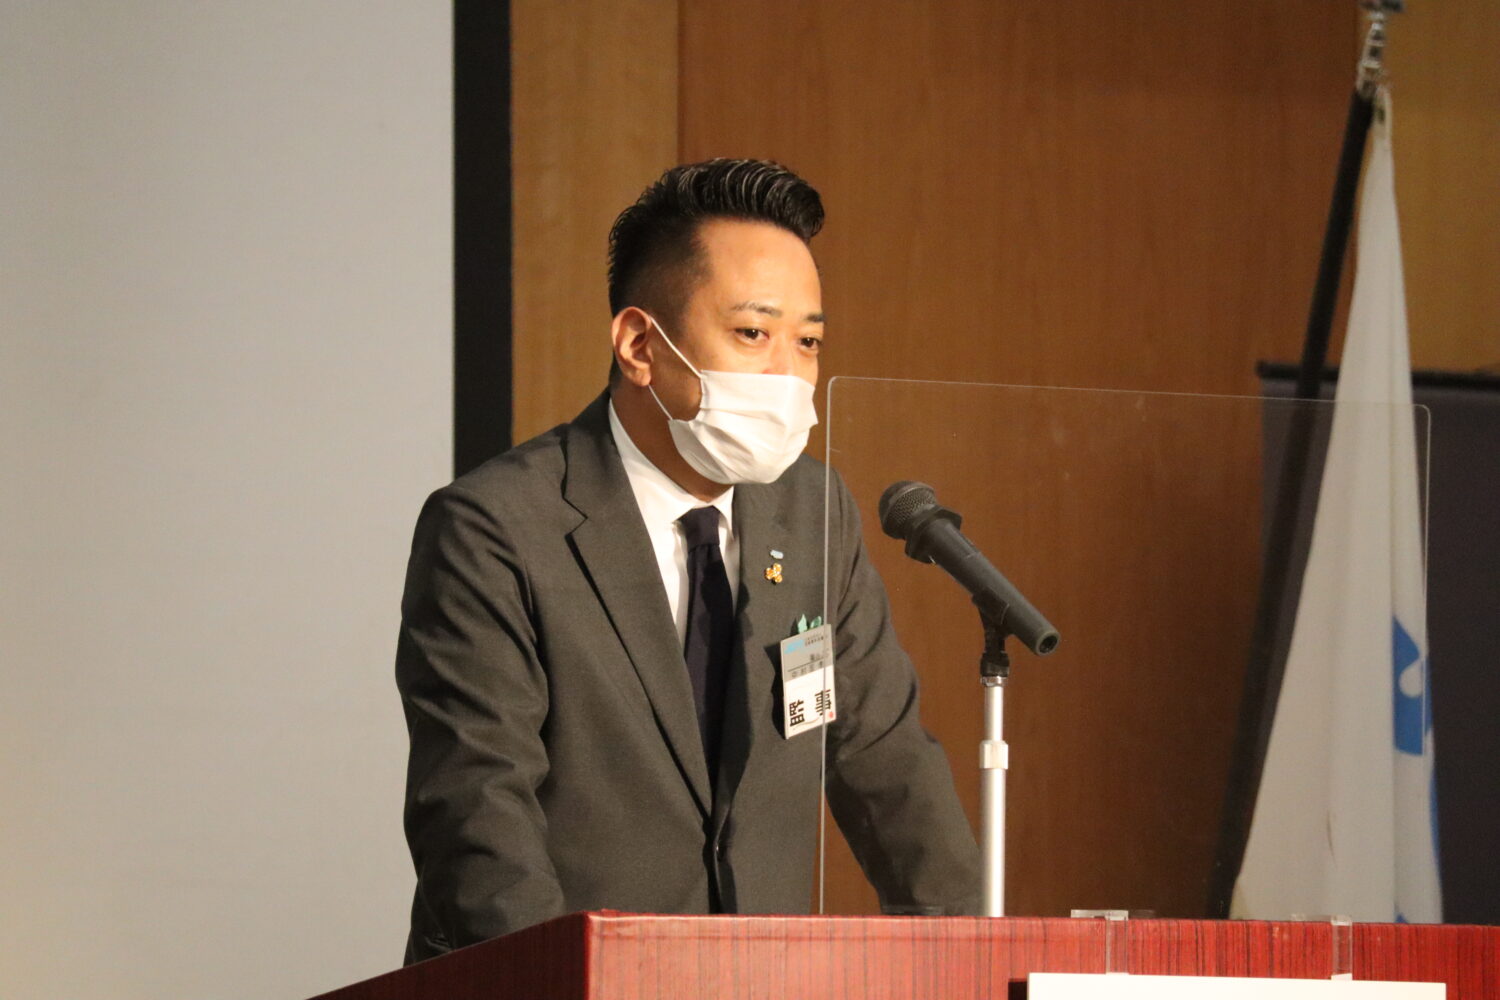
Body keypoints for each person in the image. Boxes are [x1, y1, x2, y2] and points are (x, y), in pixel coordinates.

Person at [395, 159, 980, 964]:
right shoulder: (496, 528)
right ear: (640, 344)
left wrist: (968, 959)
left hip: (756, 979)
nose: (788, 377)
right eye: (753, 334)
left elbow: (888, 763)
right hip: (561, 982)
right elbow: (477, 812)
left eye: (808, 342)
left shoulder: (814, 512)